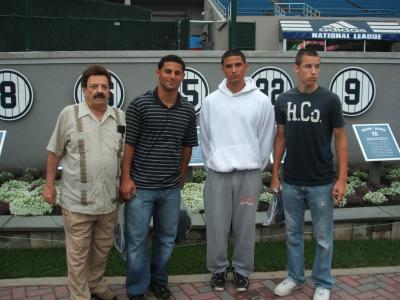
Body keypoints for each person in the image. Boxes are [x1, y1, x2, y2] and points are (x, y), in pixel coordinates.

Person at [271, 48, 348, 300]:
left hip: (321, 182)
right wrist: (275, 173)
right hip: (291, 181)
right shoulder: (283, 100)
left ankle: (323, 282)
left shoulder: (330, 100)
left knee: (323, 237)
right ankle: (295, 276)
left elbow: (340, 139)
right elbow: (280, 137)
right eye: (308, 66)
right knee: (293, 235)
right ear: (296, 68)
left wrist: (342, 178)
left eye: (317, 66)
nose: (313, 71)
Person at [43, 64, 125, 300]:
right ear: (84, 90)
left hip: (108, 200)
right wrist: (49, 185)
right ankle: (80, 295)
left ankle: (96, 284)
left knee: (101, 250)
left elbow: (123, 154)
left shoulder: (119, 116)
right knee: (78, 255)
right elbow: (53, 153)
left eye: (104, 86)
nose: (100, 90)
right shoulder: (69, 114)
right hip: (77, 202)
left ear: (110, 90)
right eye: (94, 86)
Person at [120, 54, 198, 300]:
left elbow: (188, 146)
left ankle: (158, 282)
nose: (172, 76)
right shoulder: (139, 105)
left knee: (166, 239)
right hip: (140, 187)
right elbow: (128, 146)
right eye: (167, 71)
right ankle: (136, 288)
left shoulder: (187, 109)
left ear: (182, 76)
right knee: (136, 242)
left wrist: (181, 176)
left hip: (170, 189)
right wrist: (125, 179)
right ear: (158, 73)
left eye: (177, 72)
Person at [199, 49, 276, 292]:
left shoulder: (261, 101)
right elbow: (205, 138)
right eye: (228, 66)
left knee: (245, 226)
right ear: (222, 68)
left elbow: (266, 138)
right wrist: (214, 161)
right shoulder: (211, 101)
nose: (233, 70)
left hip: (248, 174)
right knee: (216, 225)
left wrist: (256, 164)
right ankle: (218, 270)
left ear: (246, 67)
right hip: (218, 175)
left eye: (238, 65)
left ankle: (242, 271)